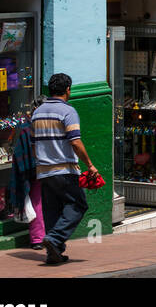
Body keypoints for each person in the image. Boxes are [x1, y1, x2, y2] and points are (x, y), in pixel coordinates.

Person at [32, 73, 98, 265]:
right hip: (64, 169)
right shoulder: (67, 111)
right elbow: (75, 142)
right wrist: (90, 165)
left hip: (44, 171)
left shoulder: (37, 112)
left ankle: (55, 253)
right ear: (68, 90)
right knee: (78, 205)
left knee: (52, 211)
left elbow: (35, 145)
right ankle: (54, 239)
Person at [7, 102, 45, 249]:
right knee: (38, 202)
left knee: (39, 202)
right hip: (37, 170)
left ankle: (39, 238)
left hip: (38, 169)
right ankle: (39, 238)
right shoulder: (30, 128)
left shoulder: (28, 128)